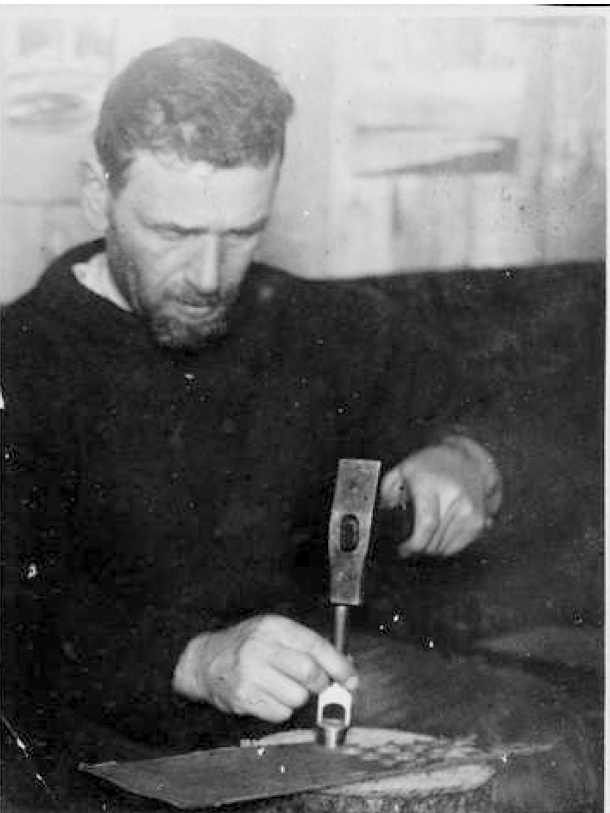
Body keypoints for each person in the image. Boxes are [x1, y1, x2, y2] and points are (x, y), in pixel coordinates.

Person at [0, 38, 596, 811]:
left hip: (316, 692)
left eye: (241, 232)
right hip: (94, 729)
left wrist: (469, 461)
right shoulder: (20, 363)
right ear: (96, 194)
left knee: (558, 752)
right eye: (174, 233)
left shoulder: (321, 327)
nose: (209, 277)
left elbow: (530, 418)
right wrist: (195, 658)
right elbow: (20, 617)